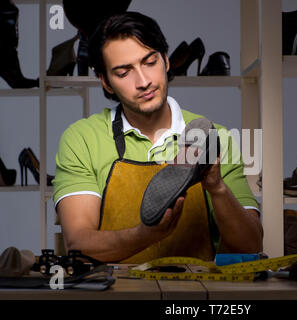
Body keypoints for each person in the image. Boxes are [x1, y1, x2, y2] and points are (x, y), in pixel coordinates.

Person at [52, 12, 263, 263]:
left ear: (165, 60)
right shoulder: (82, 139)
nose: (143, 82)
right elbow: (79, 244)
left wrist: (216, 188)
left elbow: (251, 245)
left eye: (150, 62)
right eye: (123, 72)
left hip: (195, 296)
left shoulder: (216, 138)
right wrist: (146, 234)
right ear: (106, 82)